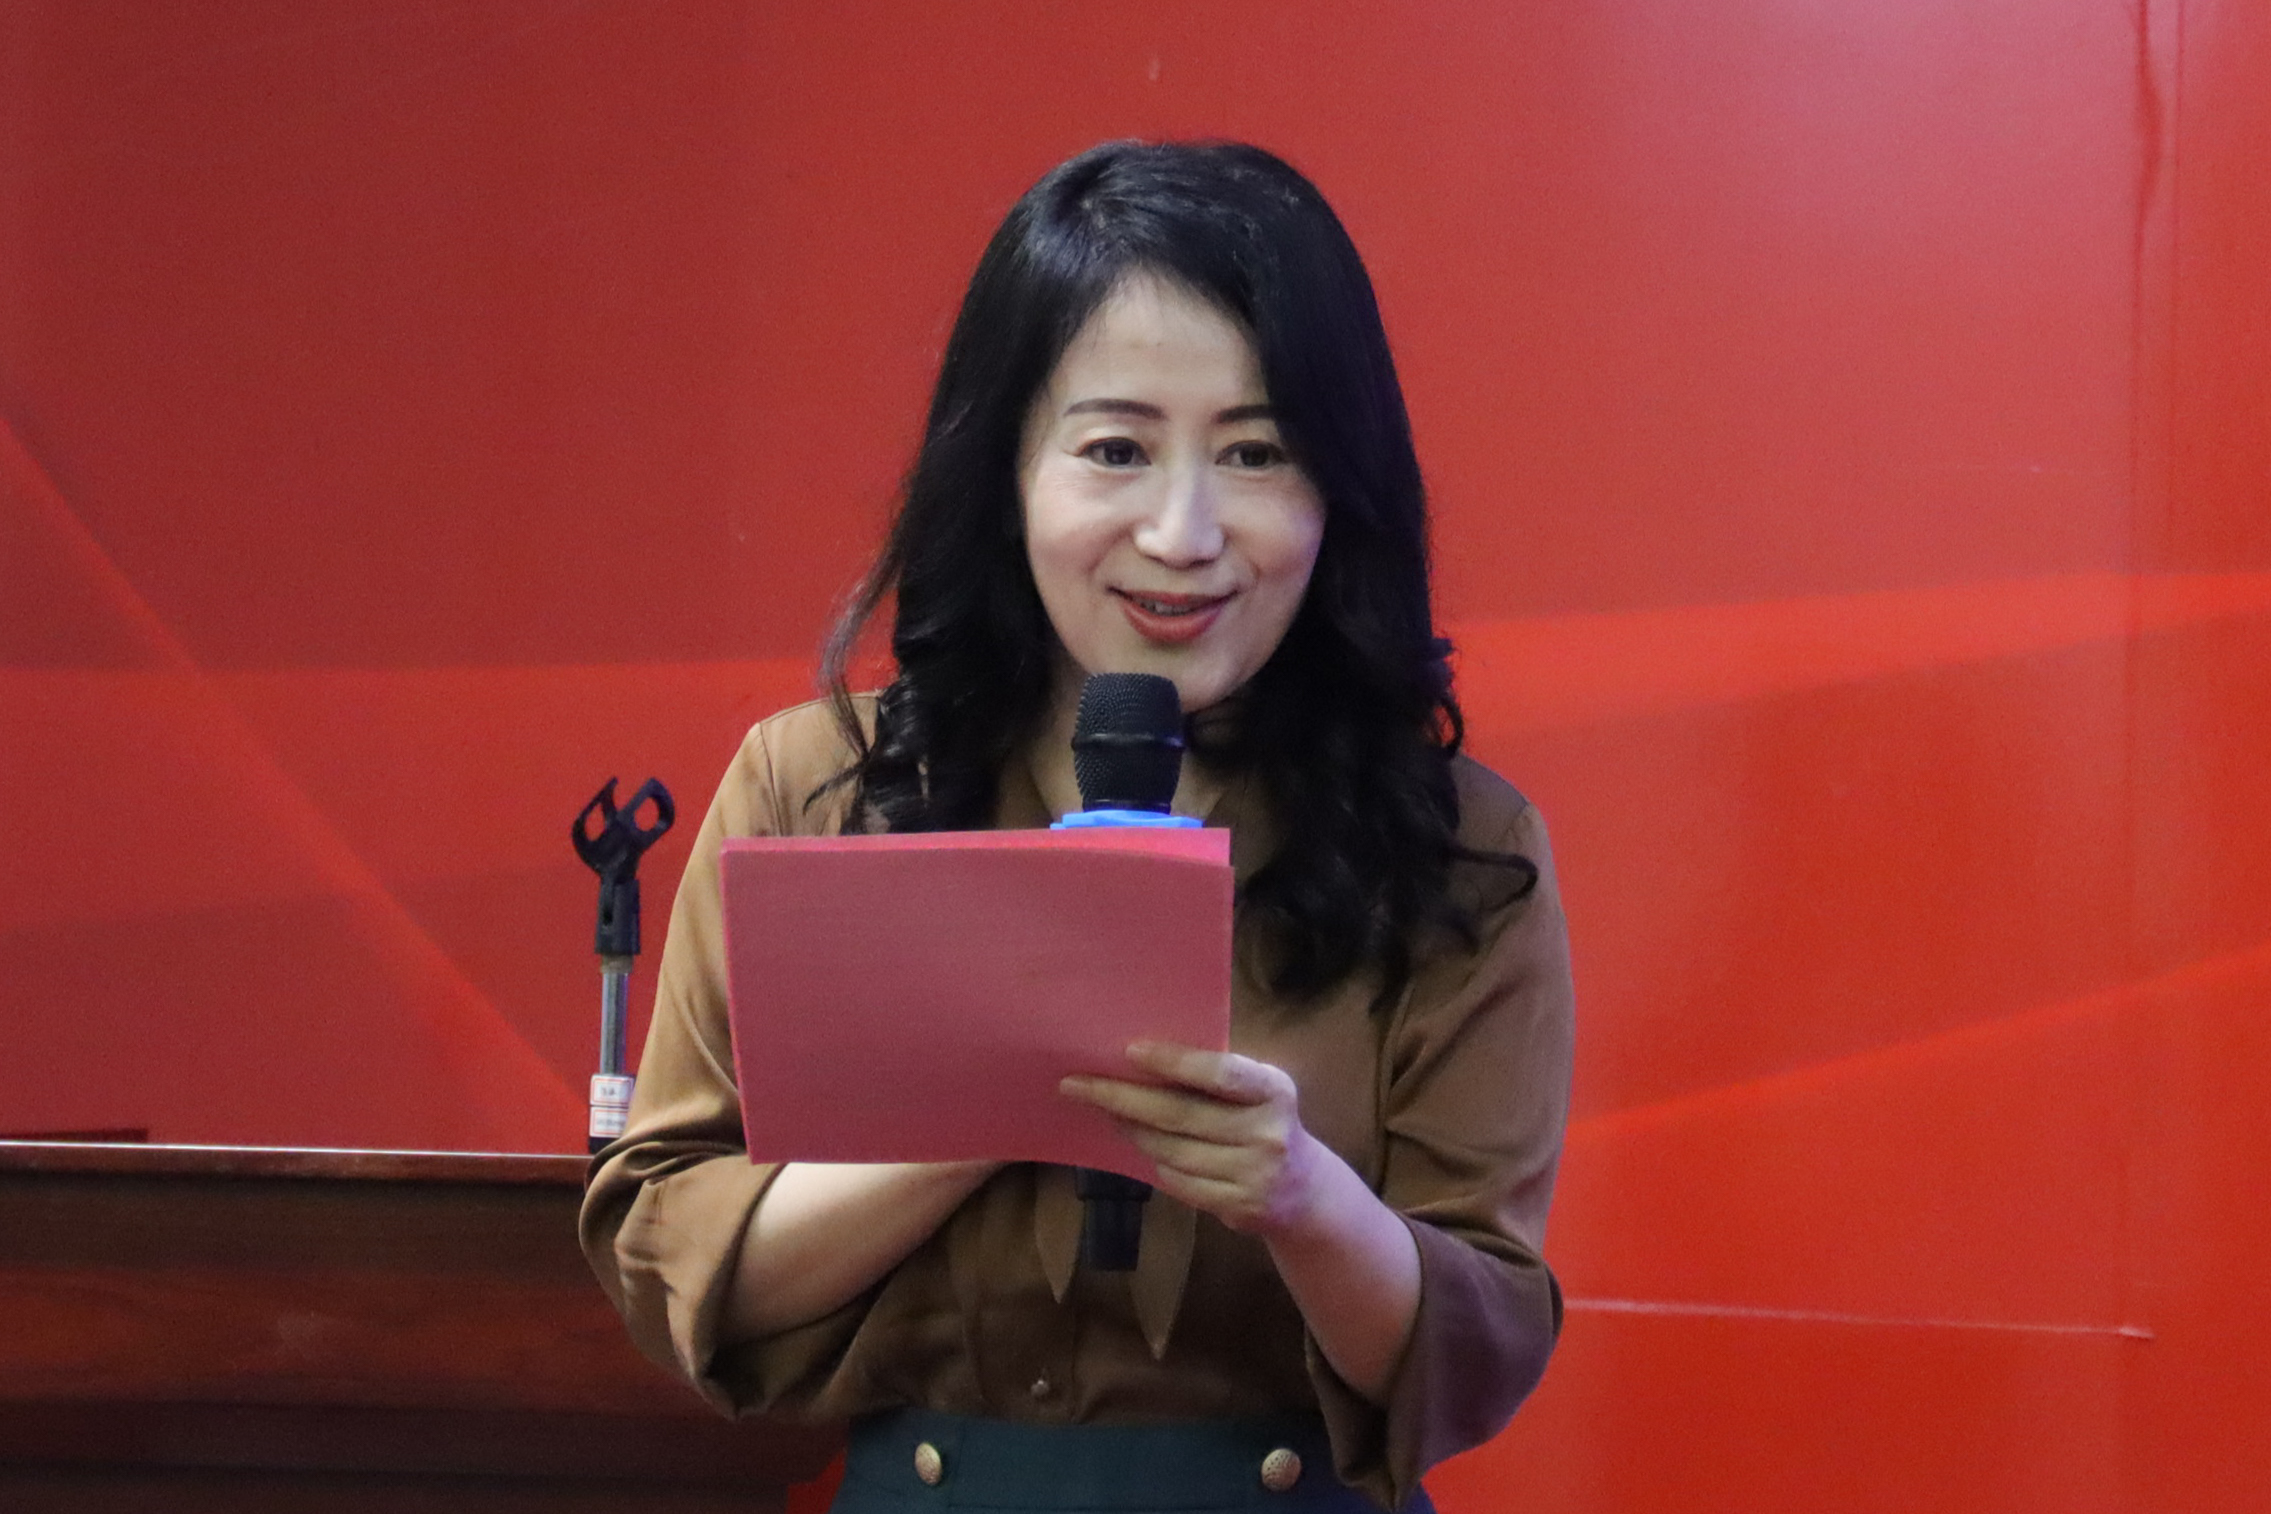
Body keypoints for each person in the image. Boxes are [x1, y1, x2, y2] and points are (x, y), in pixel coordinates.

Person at [580, 140, 1575, 1514]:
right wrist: (987, 1107)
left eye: (1256, 453)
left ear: (1338, 489)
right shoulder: (817, 789)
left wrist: (1302, 1195)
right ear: (1006, 470)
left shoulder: (1461, 849)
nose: (1183, 532)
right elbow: (675, 1255)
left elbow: (1476, 1349)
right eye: (1115, 450)